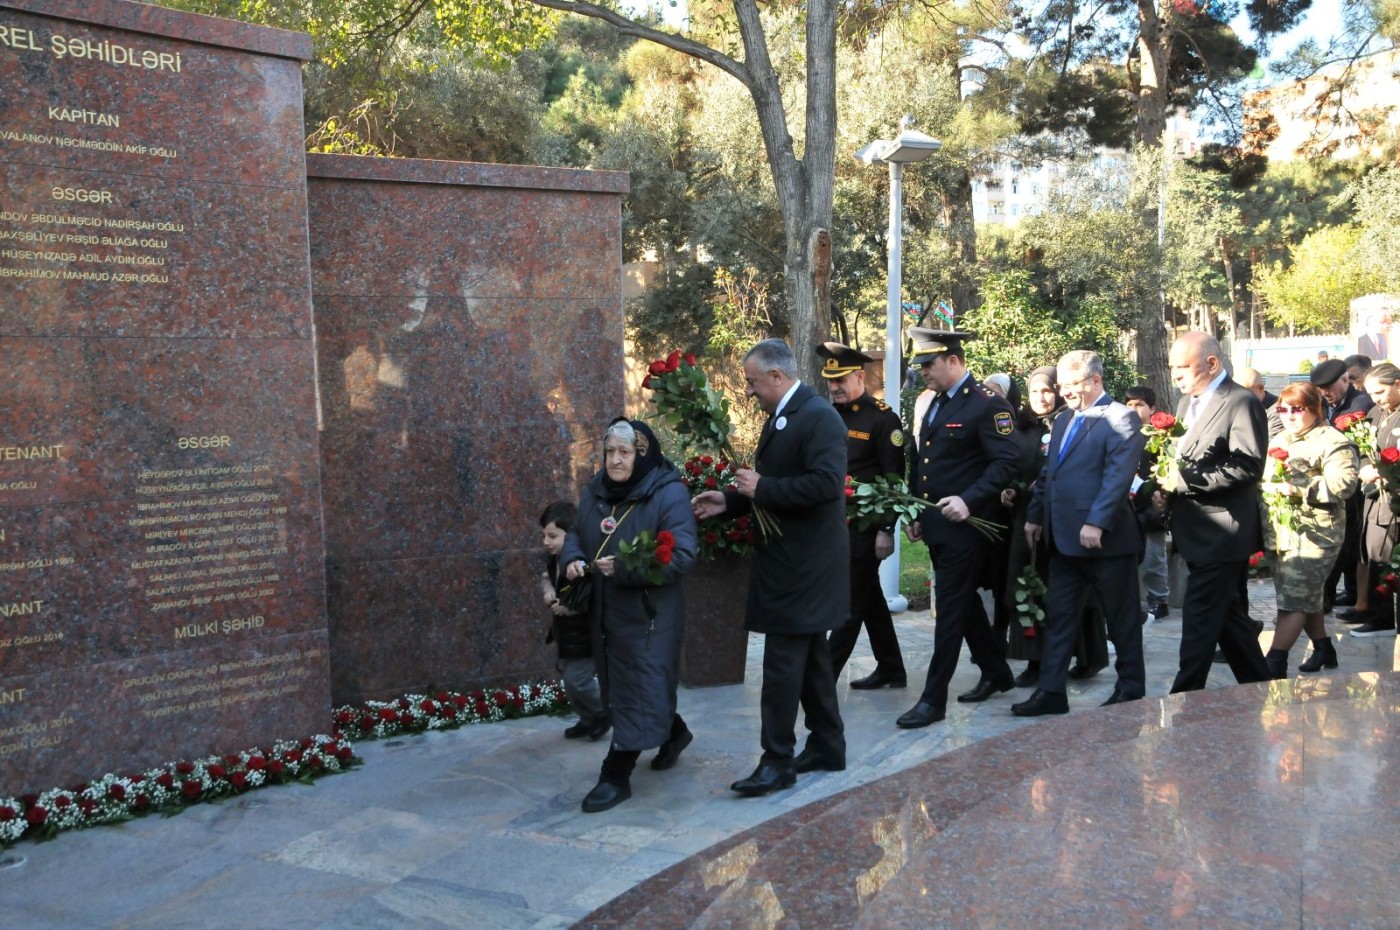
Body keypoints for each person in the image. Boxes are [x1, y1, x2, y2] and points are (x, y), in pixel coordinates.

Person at [692, 339, 847, 793]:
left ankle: (777, 759)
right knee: (813, 658)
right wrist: (731, 500)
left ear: (777, 377)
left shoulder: (819, 417)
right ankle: (827, 744)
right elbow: (774, 484)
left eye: (753, 383)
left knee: (782, 667)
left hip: (804, 569)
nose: (749, 391)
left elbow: (824, 484)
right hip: (790, 563)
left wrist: (762, 488)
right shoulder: (787, 416)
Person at [560, 418, 698, 812]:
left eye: (625, 453)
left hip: (649, 616)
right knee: (630, 688)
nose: (616, 461)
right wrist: (572, 557)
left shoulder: (667, 494)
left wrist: (623, 568)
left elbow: (682, 555)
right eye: (610, 453)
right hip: (606, 614)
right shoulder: (596, 490)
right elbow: (576, 532)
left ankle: (616, 774)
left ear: (643, 454)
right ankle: (674, 733)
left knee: (638, 685)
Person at [897, 329, 1019, 729]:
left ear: (953, 361)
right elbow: (922, 462)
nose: (923, 373)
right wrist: (916, 513)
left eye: (928, 365)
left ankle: (933, 701)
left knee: (948, 610)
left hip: (969, 526)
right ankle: (996, 670)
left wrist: (969, 499)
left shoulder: (988, 405)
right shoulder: (933, 403)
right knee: (963, 604)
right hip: (937, 524)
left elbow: (1006, 464)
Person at [1014, 350, 1147, 715]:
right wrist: (1035, 516)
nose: (1065, 392)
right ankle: (1052, 692)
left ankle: (1131, 689)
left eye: (1073, 385)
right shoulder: (1062, 421)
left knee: (1120, 622)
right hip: (1063, 540)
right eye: (1062, 385)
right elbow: (1048, 475)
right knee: (1059, 618)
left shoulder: (1121, 418)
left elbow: (1117, 478)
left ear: (1096, 381)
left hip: (1106, 542)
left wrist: (1097, 521)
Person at [1163, 332, 1273, 691]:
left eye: (1183, 367)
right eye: (1172, 368)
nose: (1176, 375)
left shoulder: (1240, 401)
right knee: (1229, 621)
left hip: (1222, 534)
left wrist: (1183, 481)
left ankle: (1183, 696)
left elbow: (1247, 466)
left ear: (1211, 363)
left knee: (1199, 619)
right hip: (1194, 531)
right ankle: (1261, 687)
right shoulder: (1188, 404)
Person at [817, 341, 908, 689]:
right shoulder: (828, 415)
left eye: (841, 380)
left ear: (859, 376)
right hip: (833, 523)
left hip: (866, 526)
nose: (835, 387)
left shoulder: (883, 418)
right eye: (830, 381)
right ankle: (892, 668)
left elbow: (894, 479)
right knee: (868, 598)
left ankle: (821, 679)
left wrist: (887, 528)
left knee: (850, 600)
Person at [1258, 383, 1359, 677]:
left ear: (1315, 409)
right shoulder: (1281, 439)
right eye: (1283, 409)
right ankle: (1324, 647)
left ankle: (1273, 663)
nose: (1289, 415)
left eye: (1297, 409)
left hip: (1315, 536)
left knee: (1293, 602)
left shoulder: (1332, 441)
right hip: (1283, 534)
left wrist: (1298, 488)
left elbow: (1344, 485)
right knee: (1303, 597)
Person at [539, 501, 610, 741]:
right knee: (571, 684)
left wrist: (568, 608)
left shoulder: (580, 564)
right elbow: (546, 579)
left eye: (552, 536)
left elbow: (588, 598)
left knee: (578, 681)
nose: (546, 542)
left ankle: (603, 711)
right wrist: (548, 592)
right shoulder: (554, 562)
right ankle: (587, 718)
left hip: (584, 636)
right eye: (544, 536)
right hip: (566, 635)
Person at [1312, 358, 1372, 610]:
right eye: (1321, 388)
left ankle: (1339, 595)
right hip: (1330, 483)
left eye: (1330, 387)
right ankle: (1345, 592)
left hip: (1356, 487)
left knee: (1350, 543)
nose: (1326, 393)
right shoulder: (1324, 406)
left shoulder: (1361, 404)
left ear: (1346, 380)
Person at [1346, 362, 1400, 638]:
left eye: (1381, 392)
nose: (1376, 398)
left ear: (1398, 384)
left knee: (1386, 558)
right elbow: (1364, 447)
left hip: (1394, 497)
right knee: (1374, 554)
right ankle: (1380, 616)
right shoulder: (1376, 412)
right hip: (1374, 496)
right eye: (1372, 393)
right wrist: (1366, 466)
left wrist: (1382, 472)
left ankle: (1385, 619)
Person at [1124, 385, 1171, 620]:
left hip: (1151, 505)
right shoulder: (1119, 432)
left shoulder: (1160, 438)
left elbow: (1166, 470)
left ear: (1152, 409)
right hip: (1125, 507)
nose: (1133, 409)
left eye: (1139, 404)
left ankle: (1158, 599)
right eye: (1130, 404)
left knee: (1154, 557)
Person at [1239, 368, 1282, 439]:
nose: (1240, 399)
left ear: (1261, 388)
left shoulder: (1279, 409)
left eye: (1246, 394)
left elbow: (1272, 444)